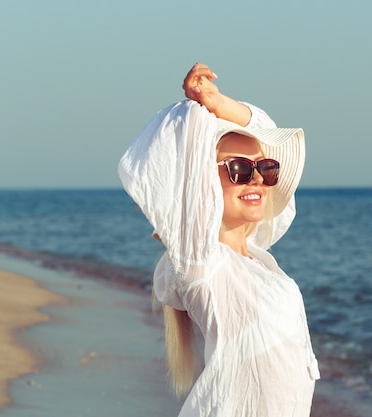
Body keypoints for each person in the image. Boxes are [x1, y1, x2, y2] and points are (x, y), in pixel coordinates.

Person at [118, 63, 319, 417]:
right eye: (238, 169)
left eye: (265, 167)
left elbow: (265, 131)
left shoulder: (261, 264)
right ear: (201, 182)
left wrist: (222, 103)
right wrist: (201, 105)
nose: (255, 179)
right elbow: (168, 157)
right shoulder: (202, 263)